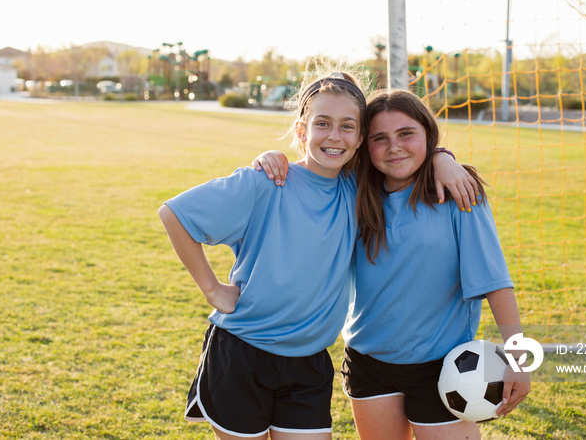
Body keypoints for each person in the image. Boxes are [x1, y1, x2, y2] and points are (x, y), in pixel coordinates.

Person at [159, 68, 473, 439]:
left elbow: (401, 153)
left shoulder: (359, 189)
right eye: (322, 124)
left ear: (359, 139)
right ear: (301, 130)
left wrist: (441, 156)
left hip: (308, 364)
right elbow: (175, 214)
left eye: (347, 126)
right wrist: (212, 290)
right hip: (242, 353)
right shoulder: (266, 182)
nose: (334, 136)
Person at [255, 90, 530, 440]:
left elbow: (495, 281)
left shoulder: (457, 192)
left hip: (445, 368)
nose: (394, 147)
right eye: (379, 138)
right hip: (369, 363)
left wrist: (519, 361)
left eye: (406, 134)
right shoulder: (354, 191)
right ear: (363, 146)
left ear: (428, 134)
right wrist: (270, 158)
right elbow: (310, 171)